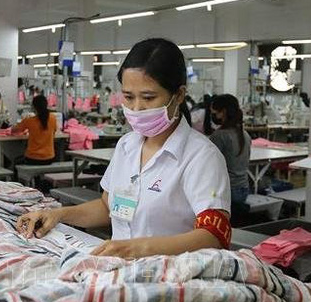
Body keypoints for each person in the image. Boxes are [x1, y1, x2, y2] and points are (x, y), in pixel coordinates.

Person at [16, 38, 231, 259]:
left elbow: (213, 236)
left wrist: (138, 248)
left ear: (178, 95)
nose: (136, 108)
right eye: (128, 97)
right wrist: (57, 215)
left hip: (170, 277)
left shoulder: (201, 156)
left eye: (148, 97)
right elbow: (107, 207)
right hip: (120, 271)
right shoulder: (127, 145)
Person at [209, 94, 251, 204]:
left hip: (227, 191)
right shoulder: (245, 134)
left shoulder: (219, 136)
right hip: (244, 188)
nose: (213, 115)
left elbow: (211, 166)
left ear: (223, 112)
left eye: (215, 112)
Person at [11, 94, 57, 165]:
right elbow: (54, 131)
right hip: (49, 158)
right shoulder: (53, 118)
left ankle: (18, 176)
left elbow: (14, 130)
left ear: (34, 107)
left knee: (16, 161)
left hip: (33, 158)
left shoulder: (29, 121)